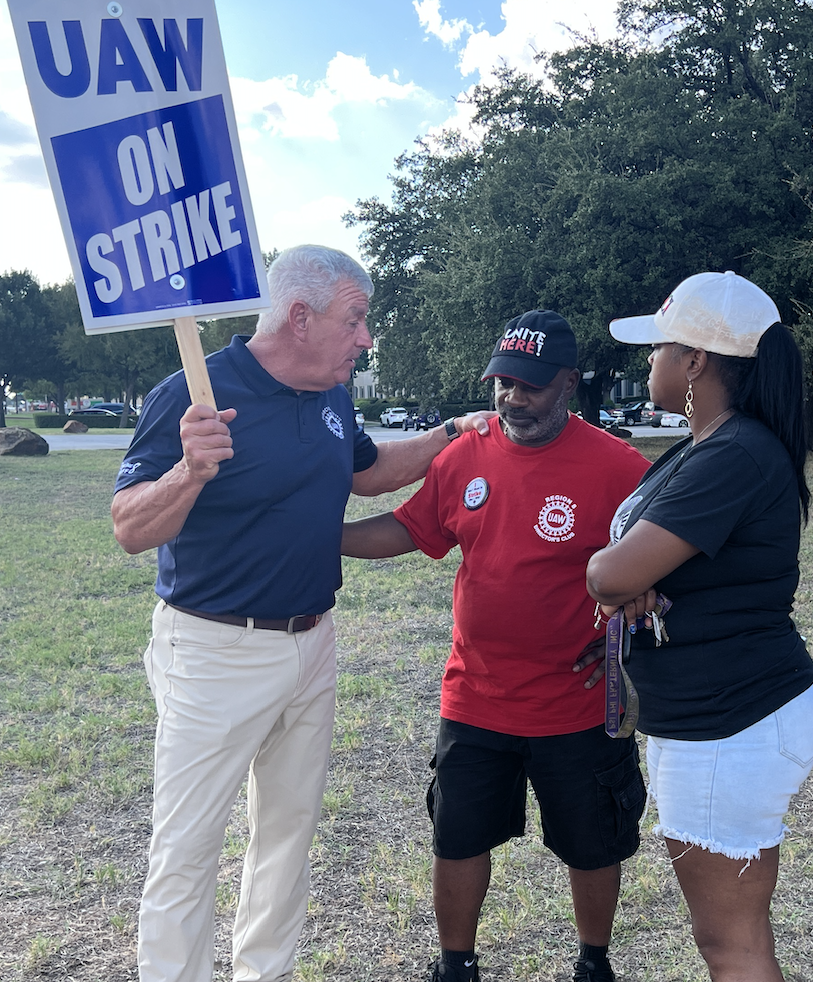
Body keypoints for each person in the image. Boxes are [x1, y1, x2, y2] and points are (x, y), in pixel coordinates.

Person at [111, 244, 494, 982]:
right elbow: (130, 527)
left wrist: (450, 436)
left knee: (286, 836)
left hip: (312, 644)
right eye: (356, 320)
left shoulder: (332, 394)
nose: (366, 339)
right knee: (187, 850)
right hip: (214, 652)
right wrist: (190, 470)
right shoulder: (193, 394)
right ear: (299, 316)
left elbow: (366, 471)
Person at [340, 310, 650, 982]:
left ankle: (594, 964)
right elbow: (408, 529)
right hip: (474, 698)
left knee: (593, 842)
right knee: (456, 836)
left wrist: (626, 633)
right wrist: (321, 536)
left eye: (531, 384)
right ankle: (456, 965)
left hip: (577, 704)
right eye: (503, 382)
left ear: (569, 382)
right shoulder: (464, 457)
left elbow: (663, 570)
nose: (513, 397)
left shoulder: (619, 468)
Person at [585, 271, 813, 982]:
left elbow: (607, 575)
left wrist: (623, 579)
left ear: (695, 362)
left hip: (732, 723)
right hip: (717, 718)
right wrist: (632, 577)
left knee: (730, 941)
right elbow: (637, 568)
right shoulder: (710, 446)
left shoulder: (734, 453)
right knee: (730, 935)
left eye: (659, 347)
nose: (647, 362)